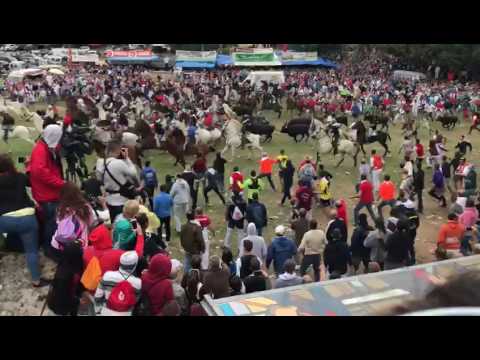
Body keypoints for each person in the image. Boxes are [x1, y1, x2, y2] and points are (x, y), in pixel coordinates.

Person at [0, 154, 48, 287]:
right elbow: (31, 181)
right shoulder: (20, 177)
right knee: (31, 251)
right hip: (27, 217)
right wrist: (28, 165)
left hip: (4, 219)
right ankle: (36, 280)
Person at [28, 124, 65, 257]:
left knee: (51, 222)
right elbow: (41, 173)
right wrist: (61, 183)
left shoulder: (43, 147)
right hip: (47, 195)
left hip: (48, 192)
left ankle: (50, 246)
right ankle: (50, 249)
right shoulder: (41, 151)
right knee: (51, 223)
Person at [96, 140, 139, 223]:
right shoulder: (119, 163)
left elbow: (100, 181)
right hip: (122, 200)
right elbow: (133, 173)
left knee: (114, 225)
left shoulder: (100, 163)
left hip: (109, 200)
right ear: (118, 151)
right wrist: (127, 159)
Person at [51, 182, 93, 258]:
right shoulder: (85, 207)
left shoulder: (61, 208)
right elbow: (90, 222)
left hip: (61, 242)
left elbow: (58, 222)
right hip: (80, 243)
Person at [47, 241, 87, 316]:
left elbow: (79, 280)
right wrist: (78, 301)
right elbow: (62, 297)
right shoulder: (63, 276)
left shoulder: (75, 263)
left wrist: (83, 290)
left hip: (71, 297)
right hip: (60, 306)